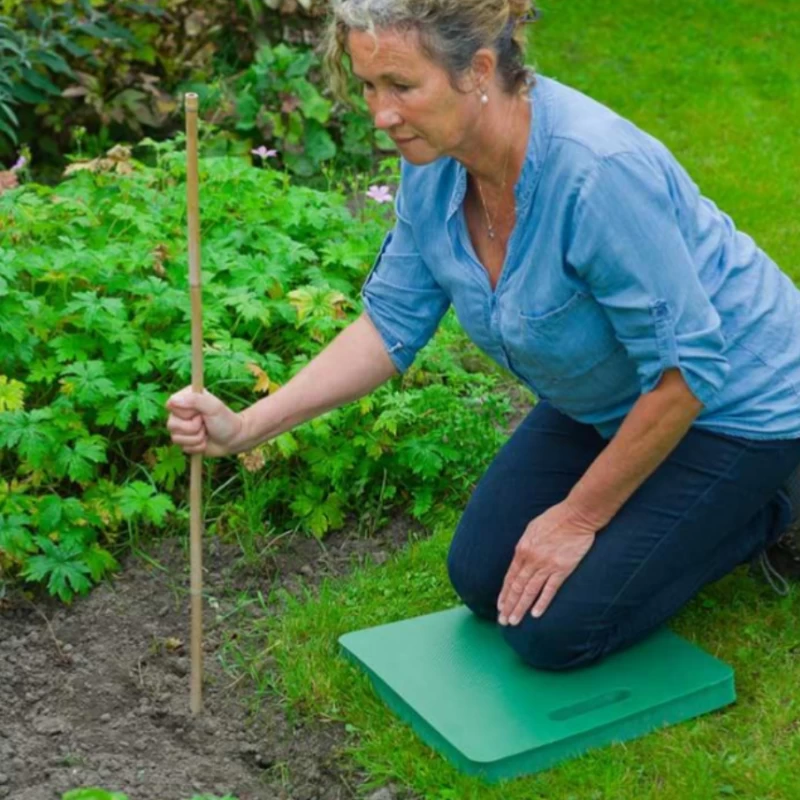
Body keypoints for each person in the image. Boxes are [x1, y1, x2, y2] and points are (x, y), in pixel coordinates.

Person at [166, 0, 800, 671]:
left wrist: (579, 518)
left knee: (551, 632)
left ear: (480, 69)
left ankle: (773, 501)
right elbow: (391, 323)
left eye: (403, 87)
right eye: (369, 87)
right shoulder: (435, 159)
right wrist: (246, 428)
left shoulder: (595, 171)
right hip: (610, 399)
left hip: (735, 404)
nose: (381, 115)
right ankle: (673, 496)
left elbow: (687, 371)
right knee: (482, 579)